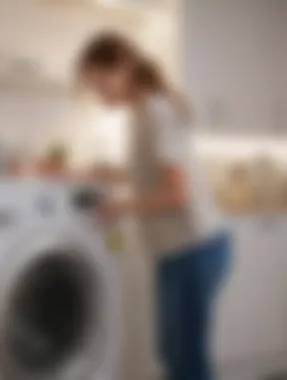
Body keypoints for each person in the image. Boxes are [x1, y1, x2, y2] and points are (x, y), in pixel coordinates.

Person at [77, 32, 232, 380]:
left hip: (196, 247)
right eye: (91, 83)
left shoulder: (158, 110)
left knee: (187, 361)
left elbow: (177, 195)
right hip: (173, 251)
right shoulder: (138, 113)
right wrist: (85, 172)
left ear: (123, 68)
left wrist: (120, 207)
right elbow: (142, 173)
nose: (97, 91)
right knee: (169, 353)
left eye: (99, 80)